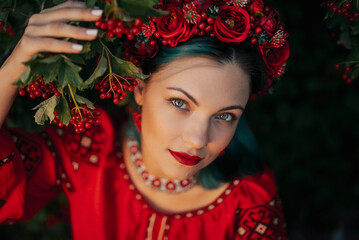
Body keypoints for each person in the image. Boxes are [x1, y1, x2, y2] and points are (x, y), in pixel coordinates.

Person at [0, 0, 289, 239]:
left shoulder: (250, 205)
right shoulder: (89, 150)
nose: (198, 139)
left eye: (225, 116)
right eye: (180, 103)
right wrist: (13, 69)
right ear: (139, 87)